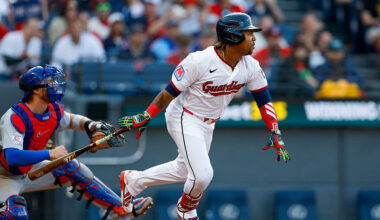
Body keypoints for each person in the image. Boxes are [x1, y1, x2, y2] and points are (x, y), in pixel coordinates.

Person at [117, 12, 290, 220]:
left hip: (209, 123)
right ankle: (185, 210)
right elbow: (168, 92)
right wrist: (147, 115)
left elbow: (264, 101)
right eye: (248, 33)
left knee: (184, 170)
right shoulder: (199, 60)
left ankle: (133, 181)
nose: (254, 38)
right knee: (203, 174)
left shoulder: (250, 65)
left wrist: (274, 129)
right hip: (184, 115)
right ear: (233, 36)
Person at [0, 65, 153, 220]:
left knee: (73, 168)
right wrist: (50, 153)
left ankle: (121, 210)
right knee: (15, 214)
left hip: (28, 171)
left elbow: (73, 120)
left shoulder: (52, 110)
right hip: (4, 176)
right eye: (50, 82)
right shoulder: (16, 116)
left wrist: (93, 126)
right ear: (35, 90)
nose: (55, 84)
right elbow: (12, 156)